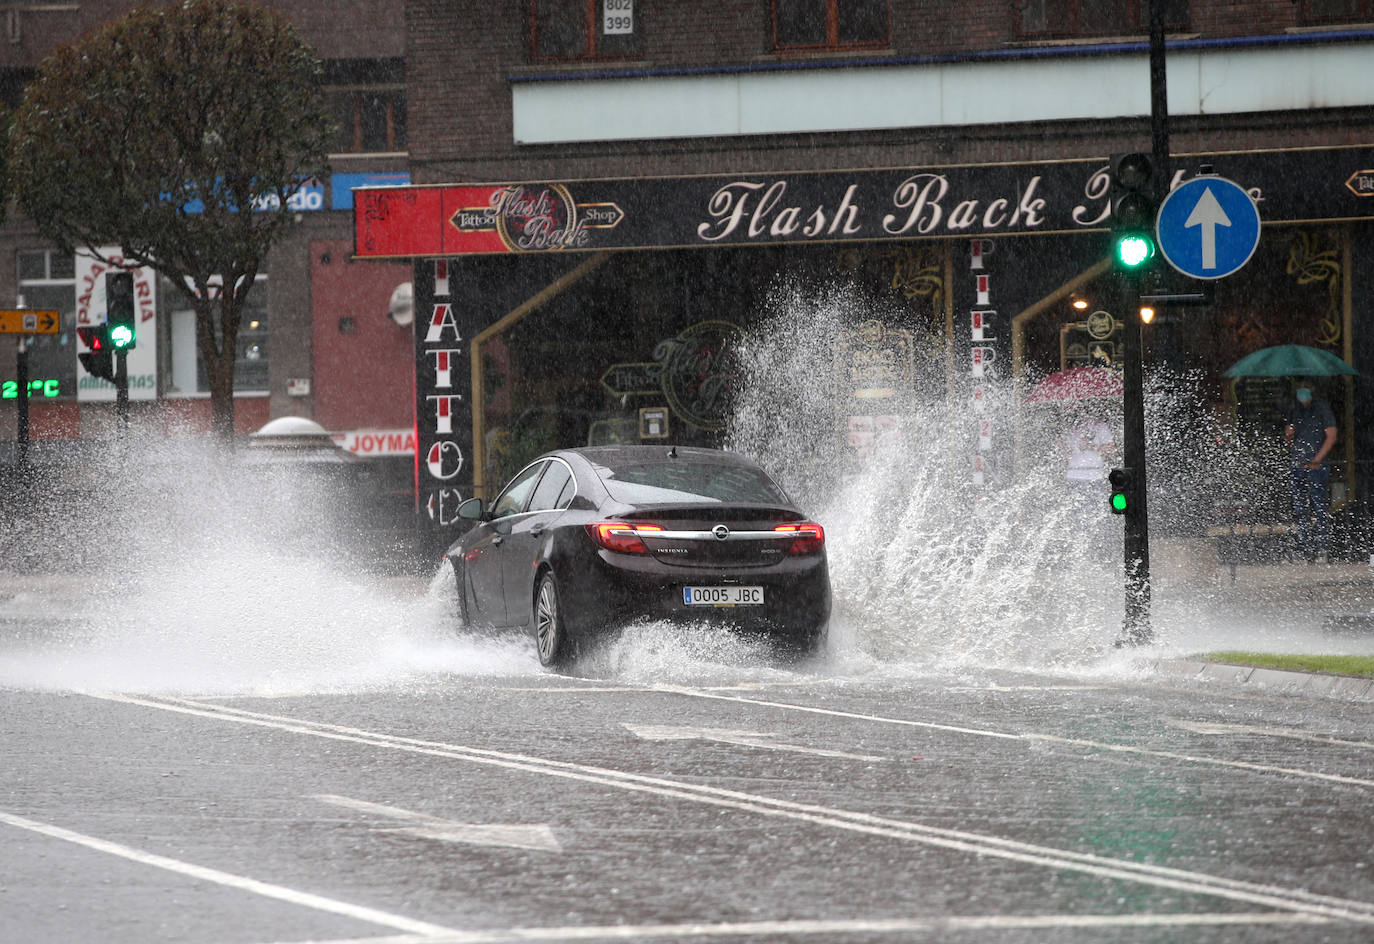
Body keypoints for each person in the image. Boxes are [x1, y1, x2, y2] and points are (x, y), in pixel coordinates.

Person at [1284, 384, 1338, 562]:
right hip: (1298, 464)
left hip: (1316, 466)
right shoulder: (1295, 410)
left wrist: (1317, 459)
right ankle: (1304, 546)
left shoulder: (1321, 409)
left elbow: (1331, 436)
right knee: (1300, 508)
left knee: (1319, 506)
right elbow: (1289, 437)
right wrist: (1289, 435)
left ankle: (1322, 547)